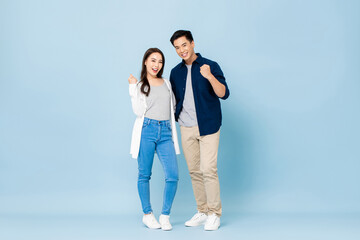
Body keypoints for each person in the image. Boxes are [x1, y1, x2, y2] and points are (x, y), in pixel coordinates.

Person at [169, 30, 230, 231]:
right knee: (195, 171)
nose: (181, 50)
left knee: (208, 169)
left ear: (193, 43)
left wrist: (210, 76)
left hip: (208, 126)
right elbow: (174, 100)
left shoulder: (210, 66)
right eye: (177, 47)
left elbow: (223, 94)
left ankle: (214, 213)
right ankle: (202, 211)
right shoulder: (175, 72)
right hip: (186, 127)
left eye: (184, 45)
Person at [128, 48, 180, 231]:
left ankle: (165, 215)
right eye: (153, 60)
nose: (156, 65)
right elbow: (137, 111)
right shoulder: (140, 84)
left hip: (166, 131)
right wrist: (132, 87)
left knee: (173, 175)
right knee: (144, 174)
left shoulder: (166, 83)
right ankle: (147, 214)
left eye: (160, 61)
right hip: (147, 130)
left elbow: (172, 106)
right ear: (145, 62)